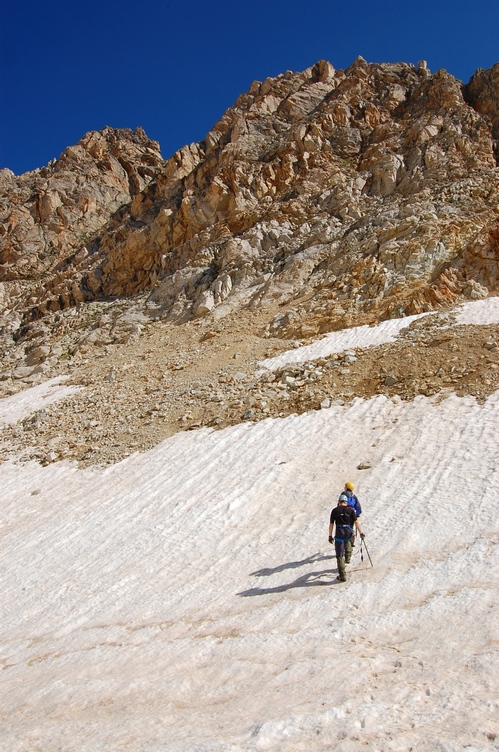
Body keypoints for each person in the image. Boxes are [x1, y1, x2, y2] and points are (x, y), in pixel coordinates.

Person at [328, 496, 365, 582]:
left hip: (339, 532)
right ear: (346, 502)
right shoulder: (350, 510)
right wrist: (361, 533)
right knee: (348, 541)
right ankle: (348, 557)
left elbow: (331, 524)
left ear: (339, 501)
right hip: (348, 531)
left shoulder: (334, 511)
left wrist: (330, 536)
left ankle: (342, 575)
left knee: (339, 555)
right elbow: (356, 522)